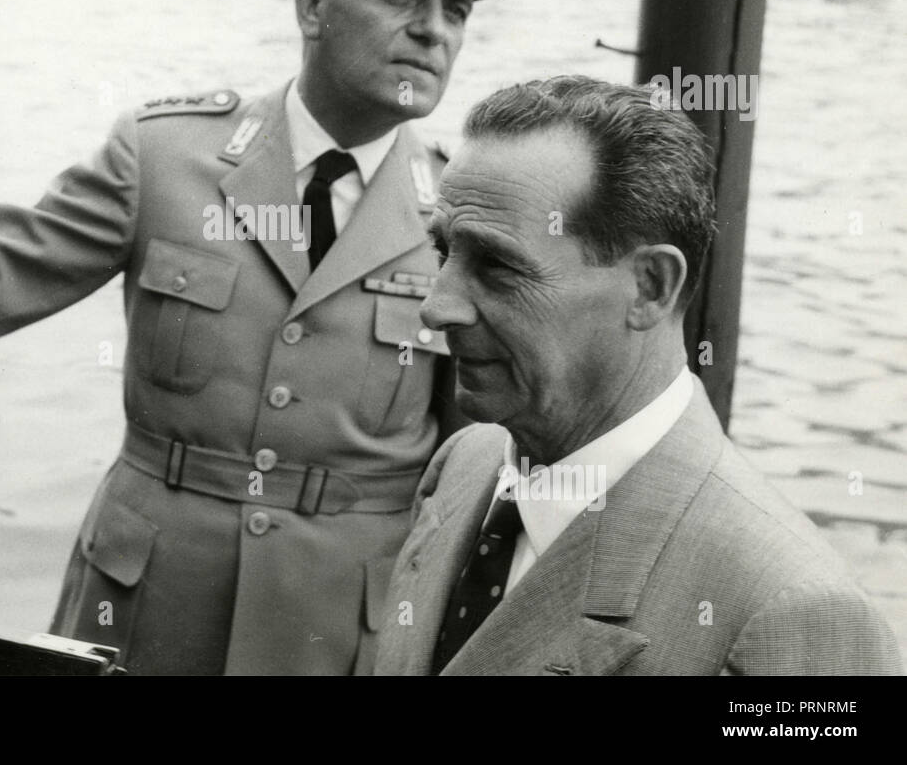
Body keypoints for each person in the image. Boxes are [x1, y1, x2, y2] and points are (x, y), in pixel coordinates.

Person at [0, 0, 510, 674]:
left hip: (339, 638)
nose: (434, 29)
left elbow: (484, 457)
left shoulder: (464, 216)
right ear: (313, 7)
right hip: (148, 612)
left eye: (456, 9)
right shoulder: (164, 157)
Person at [376, 76, 903, 675]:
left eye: (497, 266)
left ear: (651, 287)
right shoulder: (464, 465)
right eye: (444, 251)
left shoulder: (789, 613)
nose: (437, 307)